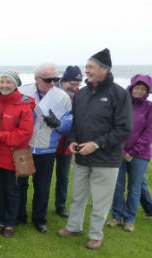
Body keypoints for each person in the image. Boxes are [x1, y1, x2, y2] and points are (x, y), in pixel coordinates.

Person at [57, 48, 133, 250]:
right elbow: (75, 122)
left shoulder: (119, 94)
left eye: (90, 67)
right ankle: (73, 227)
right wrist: (72, 140)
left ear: (103, 69)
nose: (86, 70)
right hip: (82, 156)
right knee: (77, 196)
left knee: (100, 200)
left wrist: (96, 144)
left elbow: (124, 128)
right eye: (87, 66)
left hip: (106, 158)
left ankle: (96, 235)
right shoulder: (81, 93)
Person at [18, 63, 73, 233]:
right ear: (37, 79)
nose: (52, 83)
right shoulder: (23, 92)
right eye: (48, 80)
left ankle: (39, 219)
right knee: (20, 184)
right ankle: (20, 216)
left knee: (42, 186)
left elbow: (70, 123)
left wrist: (58, 124)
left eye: (56, 79)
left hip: (47, 148)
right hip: (24, 147)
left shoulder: (62, 97)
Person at [107, 74, 152, 232]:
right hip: (119, 153)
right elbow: (114, 127)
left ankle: (129, 219)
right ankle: (116, 216)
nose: (139, 91)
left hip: (140, 155)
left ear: (147, 91)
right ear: (131, 88)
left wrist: (133, 151)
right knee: (117, 186)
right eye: (136, 88)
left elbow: (151, 132)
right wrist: (123, 150)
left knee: (134, 188)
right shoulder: (122, 105)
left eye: (143, 88)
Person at [0, 71, 34, 238]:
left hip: (14, 156)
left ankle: (11, 222)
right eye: (2, 81)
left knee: (12, 191)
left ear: (16, 84)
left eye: (9, 82)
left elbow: (25, 134)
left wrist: (1, 136)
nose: (5, 85)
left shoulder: (23, 105)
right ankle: (1, 220)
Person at [54, 65, 83, 218]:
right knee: (41, 176)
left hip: (68, 141)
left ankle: (60, 205)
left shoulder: (78, 95)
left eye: (77, 84)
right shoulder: (52, 91)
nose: (74, 87)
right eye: (72, 84)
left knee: (63, 176)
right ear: (64, 80)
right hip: (51, 140)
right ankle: (40, 203)